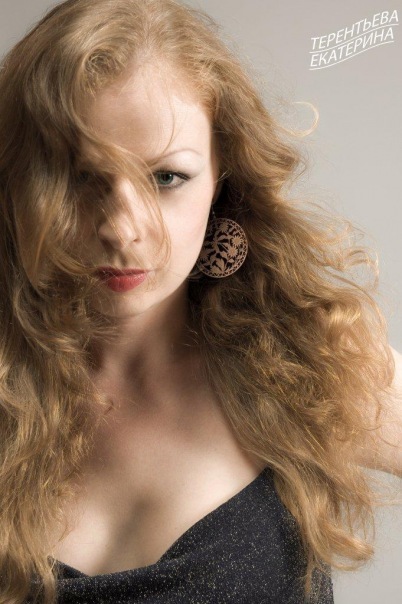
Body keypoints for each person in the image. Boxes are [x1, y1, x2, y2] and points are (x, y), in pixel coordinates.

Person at [0, 0, 401, 602]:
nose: (121, 230)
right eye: (81, 176)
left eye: (166, 178)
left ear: (222, 179)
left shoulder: (308, 365)